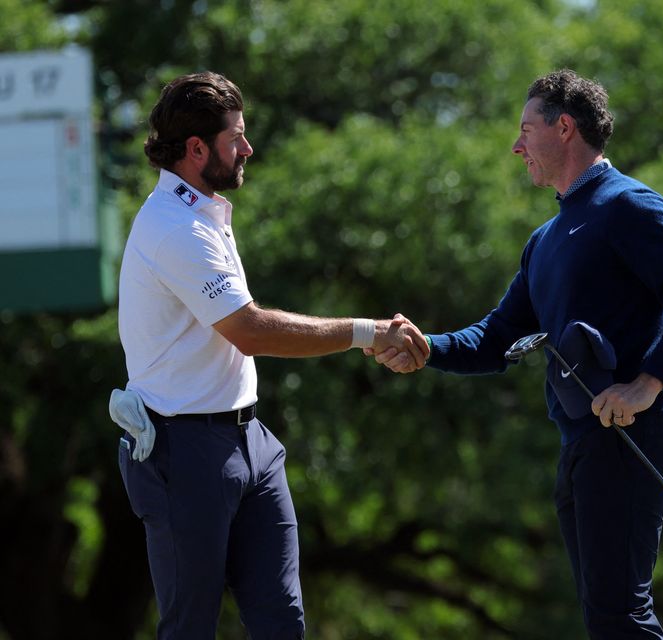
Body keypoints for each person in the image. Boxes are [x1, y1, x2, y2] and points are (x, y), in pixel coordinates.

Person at [375, 69, 663, 638]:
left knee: (619, 615)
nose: (516, 147)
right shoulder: (546, 239)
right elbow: (497, 336)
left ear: (564, 128)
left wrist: (647, 384)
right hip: (584, 441)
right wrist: (426, 347)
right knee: (604, 615)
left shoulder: (629, 205)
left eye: (525, 130)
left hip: (633, 433)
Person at [111, 71, 429, 639]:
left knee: (282, 623)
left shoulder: (202, 212)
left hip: (250, 443)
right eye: (236, 137)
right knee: (189, 629)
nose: (248, 148)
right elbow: (251, 331)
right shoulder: (174, 227)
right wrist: (369, 332)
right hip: (185, 452)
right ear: (196, 149)